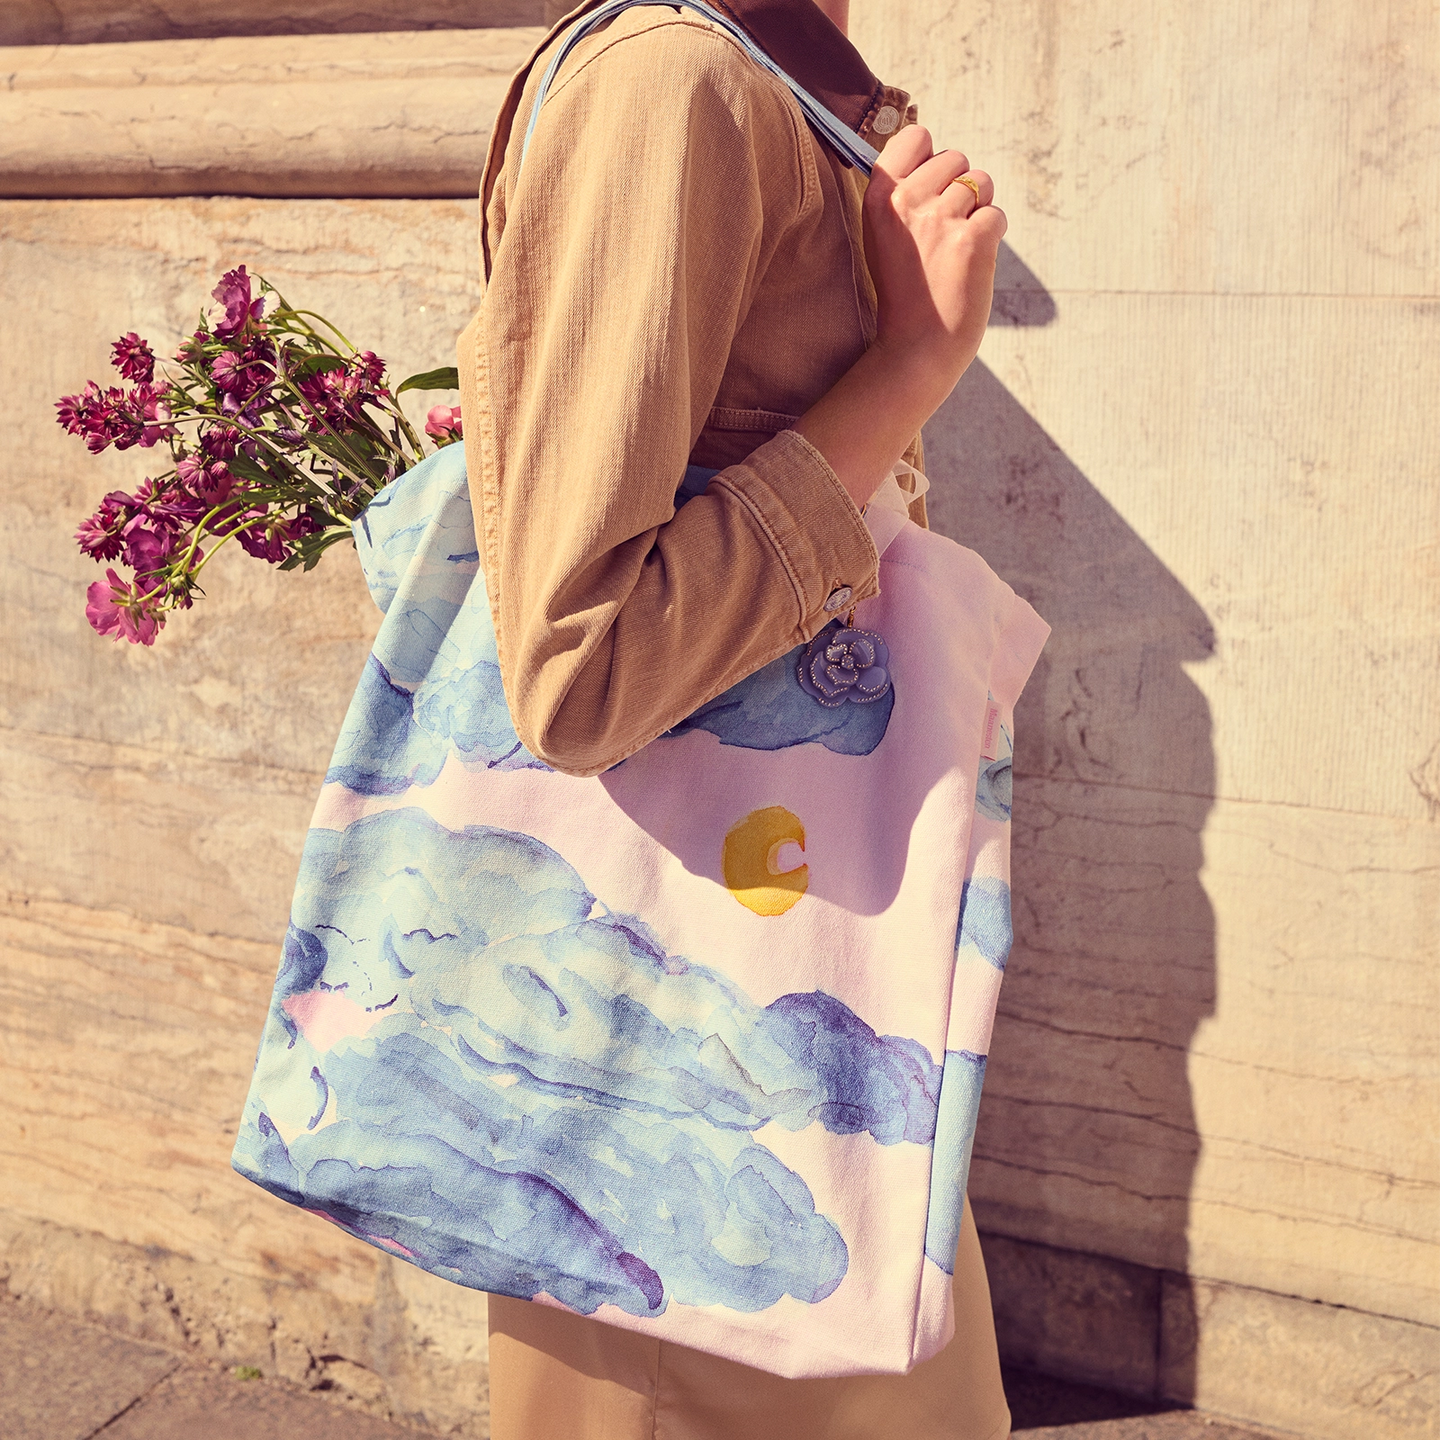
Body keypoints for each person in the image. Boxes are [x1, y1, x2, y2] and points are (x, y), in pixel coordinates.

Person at [454, 0, 1011, 1434]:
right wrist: (909, 367)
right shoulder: (677, 85)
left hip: (788, 1033)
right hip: (691, 1090)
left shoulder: (765, 73)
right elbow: (581, 673)